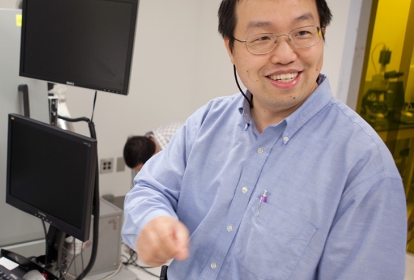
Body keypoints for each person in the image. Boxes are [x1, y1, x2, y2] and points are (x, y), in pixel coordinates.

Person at [121, 0, 407, 279]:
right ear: (230, 48)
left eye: (303, 32)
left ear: (323, 35)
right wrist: (152, 221)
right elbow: (149, 188)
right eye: (262, 37)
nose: (285, 54)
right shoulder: (208, 120)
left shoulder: (366, 168)